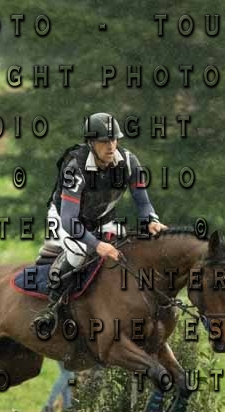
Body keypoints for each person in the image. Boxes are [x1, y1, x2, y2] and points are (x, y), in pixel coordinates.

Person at [32, 113, 167, 332]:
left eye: (114, 139)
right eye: (104, 141)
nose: (111, 146)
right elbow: (69, 219)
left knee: (131, 247)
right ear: (91, 143)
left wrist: (151, 220)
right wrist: (97, 245)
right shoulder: (75, 167)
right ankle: (51, 308)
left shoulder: (129, 162)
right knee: (79, 252)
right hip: (64, 219)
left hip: (102, 219)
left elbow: (143, 203)